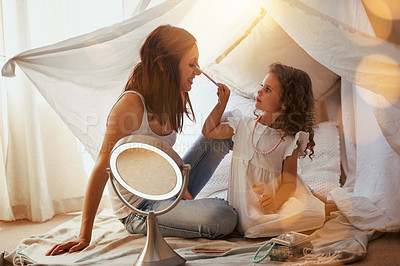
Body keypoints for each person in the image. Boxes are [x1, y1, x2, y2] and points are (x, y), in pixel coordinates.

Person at [46, 25, 237, 256]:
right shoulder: (131, 105)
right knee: (223, 216)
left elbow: (167, 155)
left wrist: (220, 107)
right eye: (191, 64)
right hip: (139, 209)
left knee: (230, 121)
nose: (197, 71)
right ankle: (199, 209)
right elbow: (101, 167)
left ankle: (263, 192)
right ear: (164, 63)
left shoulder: (175, 95)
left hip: (170, 188)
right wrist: (84, 234)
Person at [202, 63, 325, 238]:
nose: (259, 92)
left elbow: (289, 181)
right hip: (242, 208)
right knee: (253, 227)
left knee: (307, 214)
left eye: (268, 90)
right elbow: (209, 130)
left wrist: (276, 201)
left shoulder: (288, 142)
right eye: (262, 87)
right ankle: (320, 202)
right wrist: (222, 103)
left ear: (285, 103)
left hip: (268, 205)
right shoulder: (243, 124)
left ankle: (326, 205)